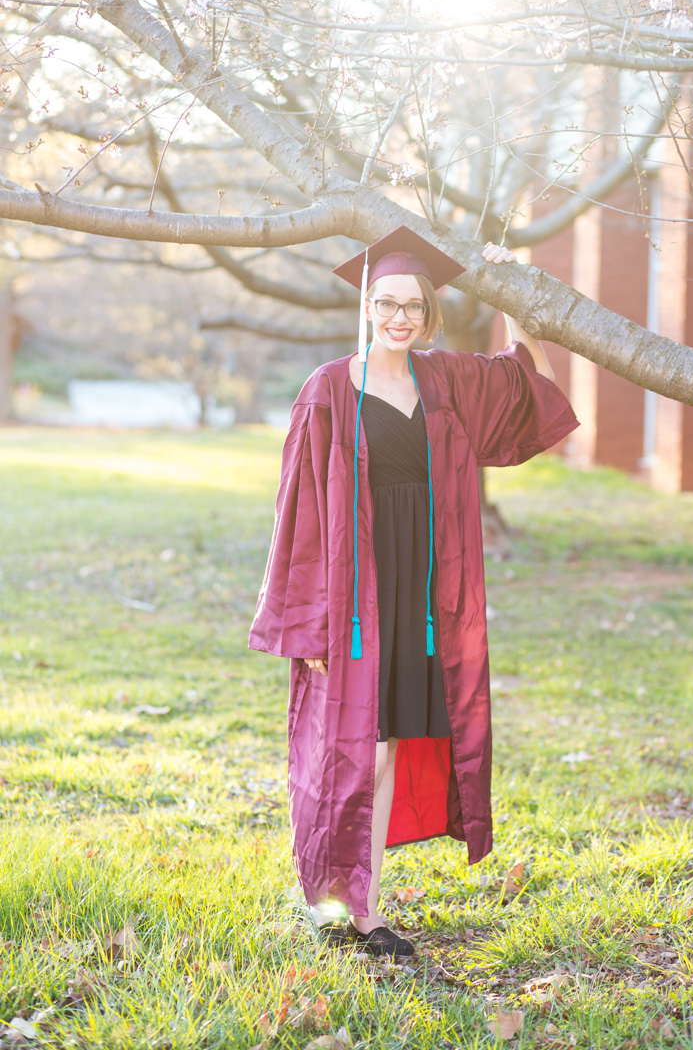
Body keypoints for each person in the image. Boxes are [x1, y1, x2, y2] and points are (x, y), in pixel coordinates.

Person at [249, 226, 578, 958]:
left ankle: (364, 903)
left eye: (415, 307)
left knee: (392, 741)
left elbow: (533, 389)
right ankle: (330, 900)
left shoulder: (447, 380)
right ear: (367, 306)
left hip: (424, 593)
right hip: (352, 593)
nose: (401, 318)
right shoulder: (328, 390)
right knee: (349, 745)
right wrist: (308, 626)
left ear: (429, 315)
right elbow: (297, 514)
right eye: (388, 303)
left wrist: (518, 298)